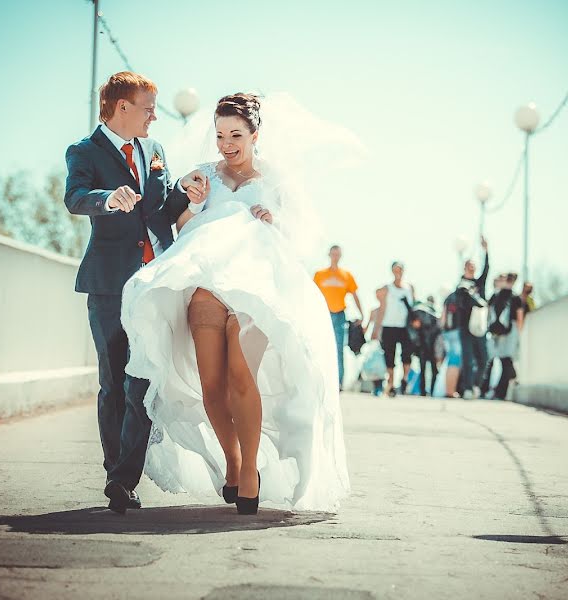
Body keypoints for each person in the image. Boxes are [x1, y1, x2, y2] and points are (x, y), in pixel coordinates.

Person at [120, 93, 351, 514]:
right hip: (206, 288)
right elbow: (180, 229)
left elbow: (301, 238)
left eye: (236, 135)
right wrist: (191, 202)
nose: (226, 143)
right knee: (212, 384)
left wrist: (273, 221)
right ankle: (234, 461)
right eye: (221, 135)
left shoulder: (277, 179)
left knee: (241, 376)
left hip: (257, 290)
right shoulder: (203, 175)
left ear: (254, 135)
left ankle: (249, 477)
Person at [63, 72, 200, 514]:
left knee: (143, 382)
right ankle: (116, 474)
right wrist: (107, 198)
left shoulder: (155, 150)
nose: (154, 116)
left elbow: (162, 211)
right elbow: (76, 197)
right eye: (148, 107)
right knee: (114, 381)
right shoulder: (84, 151)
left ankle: (124, 478)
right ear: (122, 107)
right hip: (109, 283)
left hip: (156, 280)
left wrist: (185, 192)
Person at [313, 245, 364, 391]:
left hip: (340, 315)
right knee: (320, 347)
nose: (335, 257)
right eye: (333, 254)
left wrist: (361, 314)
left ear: (340, 256)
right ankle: (321, 381)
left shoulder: (346, 275)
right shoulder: (319, 275)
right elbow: (311, 295)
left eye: (337, 254)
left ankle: (338, 382)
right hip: (323, 315)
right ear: (329, 255)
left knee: (338, 349)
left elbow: (355, 295)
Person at [481, 272, 525, 400]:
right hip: (509, 332)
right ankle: (502, 390)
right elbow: (519, 317)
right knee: (506, 360)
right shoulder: (515, 298)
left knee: (496, 360)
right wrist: (518, 333)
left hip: (495, 333)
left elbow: (488, 313)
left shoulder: (495, 296)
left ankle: (490, 390)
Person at [374, 262, 415, 397]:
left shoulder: (410, 288)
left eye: (400, 269)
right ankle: (391, 383)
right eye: (395, 270)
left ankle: (404, 380)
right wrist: (376, 328)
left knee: (407, 355)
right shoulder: (387, 288)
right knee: (389, 355)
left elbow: (413, 307)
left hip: (405, 327)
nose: (398, 272)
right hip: (389, 326)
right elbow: (382, 308)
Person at [457, 237, 490, 398]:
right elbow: (462, 302)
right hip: (465, 328)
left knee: (484, 359)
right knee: (468, 360)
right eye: (469, 266)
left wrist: (486, 250)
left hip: (480, 327)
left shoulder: (479, 284)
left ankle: (477, 385)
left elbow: (487, 270)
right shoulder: (461, 286)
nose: (472, 268)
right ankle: (468, 388)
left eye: (473, 266)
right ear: (464, 268)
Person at [408, 299, 441, 397]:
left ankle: (426, 391)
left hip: (427, 346)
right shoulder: (426, 313)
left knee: (427, 369)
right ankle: (428, 390)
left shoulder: (421, 313)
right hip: (427, 346)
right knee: (428, 369)